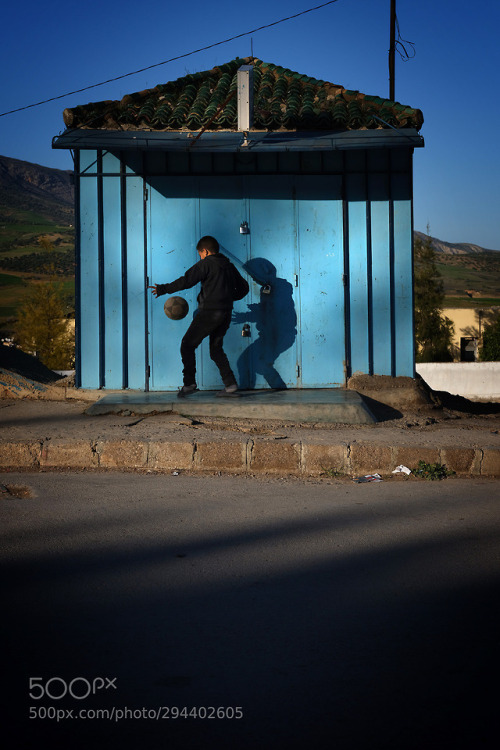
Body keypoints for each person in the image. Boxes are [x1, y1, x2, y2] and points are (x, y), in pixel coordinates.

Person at [148, 236, 245, 397]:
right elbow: (244, 289)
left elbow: (186, 281)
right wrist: (227, 298)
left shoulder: (206, 264)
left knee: (187, 345)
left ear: (205, 251)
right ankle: (230, 385)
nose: (200, 256)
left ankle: (189, 384)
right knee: (216, 350)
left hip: (209, 313)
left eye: (200, 254)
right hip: (225, 313)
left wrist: (163, 289)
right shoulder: (229, 266)